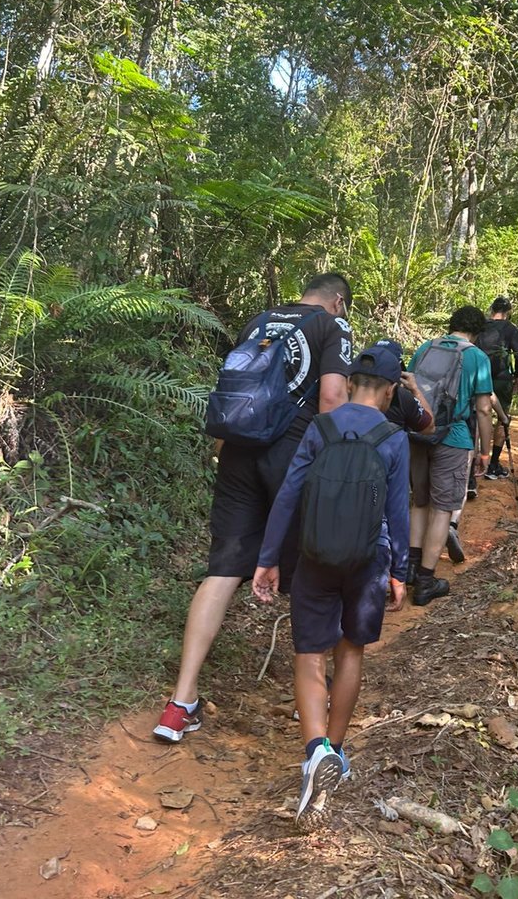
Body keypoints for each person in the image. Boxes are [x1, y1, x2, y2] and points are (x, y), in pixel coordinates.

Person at [153, 272, 354, 743]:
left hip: (239, 452)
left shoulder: (260, 321)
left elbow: (235, 387)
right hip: (295, 456)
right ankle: (315, 700)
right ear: (338, 302)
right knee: (311, 571)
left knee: (223, 570)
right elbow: (332, 397)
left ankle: (180, 703)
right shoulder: (332, 326)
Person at [251, 344, 409, 820]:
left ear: (352, 384)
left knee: (309, 653)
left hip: (315, 555)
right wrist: (400, 571)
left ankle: (314, 750)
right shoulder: (394, 437)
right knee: (350, 652)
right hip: (369, 560)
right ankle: (335, 753)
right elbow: (397, 511)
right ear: (390, 391)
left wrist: (268, 559)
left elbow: (289, 494)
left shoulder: (320, 427)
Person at [406, 306, 493, 605]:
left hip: (419, 433)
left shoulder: (426, 347)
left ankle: (410, 568)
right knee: (443, 509)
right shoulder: (476, 357)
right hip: (453, 438)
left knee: (420, 502)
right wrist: (485, 452)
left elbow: (410, 389)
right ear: (477, 331)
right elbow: (483, 409)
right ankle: (426, 582)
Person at [477, 296, 518, 481]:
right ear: (508, 312)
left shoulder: (480, 326)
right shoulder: (511, 329)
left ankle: (475, 462)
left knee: (476, 415)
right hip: (501, 378)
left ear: (492, 310)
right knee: (502, 417)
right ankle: (493, 465)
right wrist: (517, 376)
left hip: (479, 376)